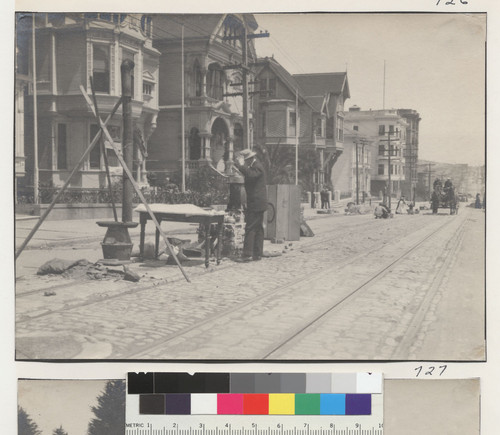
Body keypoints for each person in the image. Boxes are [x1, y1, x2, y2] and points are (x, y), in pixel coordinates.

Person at [233, 149, 268, 262]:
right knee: (258, 228)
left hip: (256, 202)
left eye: (245, 161)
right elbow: (249, 175)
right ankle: (257, 254)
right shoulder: (255, 166)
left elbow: (251, 175)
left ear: (249, 159)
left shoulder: (257, 166)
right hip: (258, 202)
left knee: (250, 227)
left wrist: (241, 166)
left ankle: (247, 254)